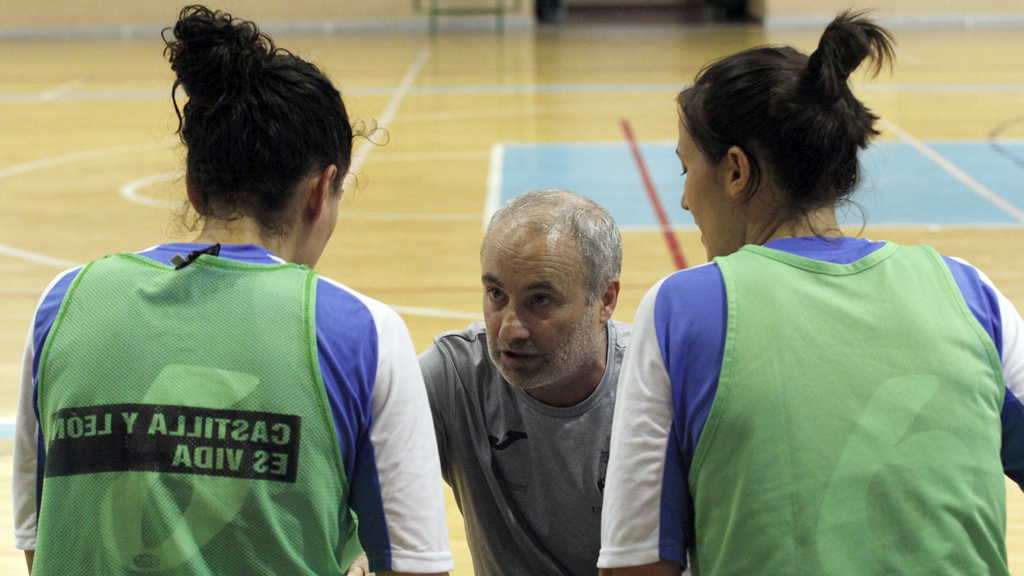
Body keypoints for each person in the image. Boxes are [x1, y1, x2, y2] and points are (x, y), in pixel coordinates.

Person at [12, 6, 453, 576]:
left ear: (193, 187)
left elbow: (41, 542)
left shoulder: (63, 303)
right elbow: (417, 567)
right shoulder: (364, 334)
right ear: (320, 192)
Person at [598, 11, 1024, 576]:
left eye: (685, 169)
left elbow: (636, 566)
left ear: (735, 171)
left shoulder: (680, 310)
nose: (683, 200)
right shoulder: (971, 293)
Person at [421, 189, 626, 576]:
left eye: (540, 300)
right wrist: (357, 547)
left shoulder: (656, 384)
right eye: (496, 294)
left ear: (605, 299)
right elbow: (349, 468)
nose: (509, 330)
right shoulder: (454, 379)